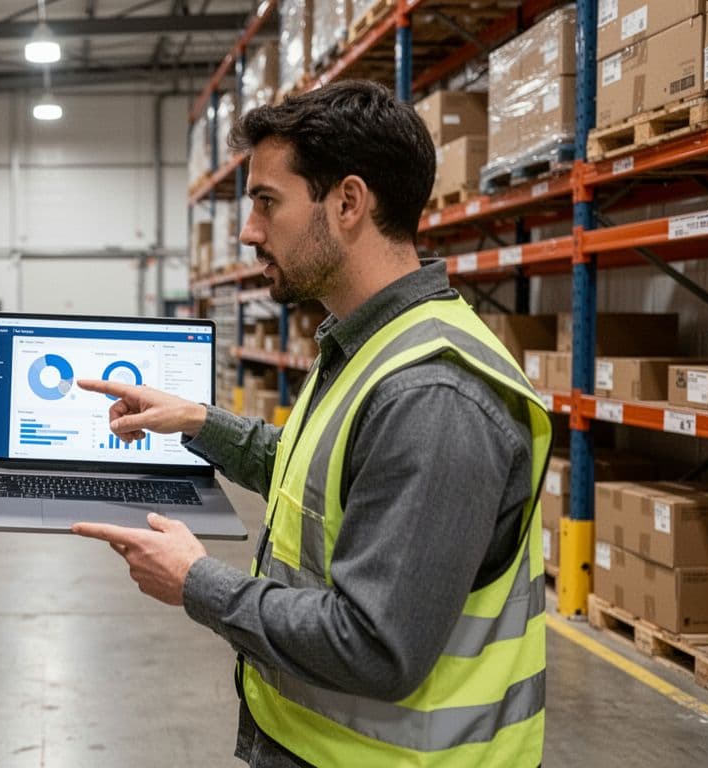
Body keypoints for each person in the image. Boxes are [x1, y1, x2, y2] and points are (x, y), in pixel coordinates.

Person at [73, 80, 551, 767]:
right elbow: (321, 476)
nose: (247, 231)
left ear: (348, 203)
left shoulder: (433, 394)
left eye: (267, 202)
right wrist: (197, 421)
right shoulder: (366, 344)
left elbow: (377, 645)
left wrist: (196, 580)